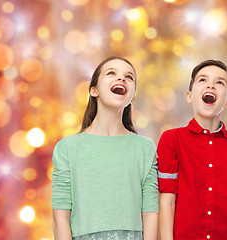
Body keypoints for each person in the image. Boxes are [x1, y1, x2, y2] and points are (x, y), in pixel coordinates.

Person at [51, 56, 158, 240]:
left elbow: (150, 214)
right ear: (94, 90)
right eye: (111, 73)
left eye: (129, 77)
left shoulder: (145, 148)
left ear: (132, 96)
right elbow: (60, 218)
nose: (122, 79)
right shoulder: (67, 148)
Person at [157, 59, 227, 240]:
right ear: (189, 95)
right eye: (202, 80)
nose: (211, 85)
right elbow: (167, 200)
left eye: (220, 82)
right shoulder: (171, 139)